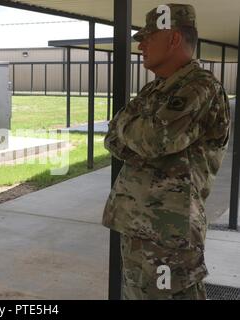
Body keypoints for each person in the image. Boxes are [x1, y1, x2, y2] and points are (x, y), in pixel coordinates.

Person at [102, 3, 230, 300]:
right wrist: (134, 132)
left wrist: (133, 130)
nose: (141, 44)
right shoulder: (156, 90)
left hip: (170, 234)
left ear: (173, 39)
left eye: (148, 36)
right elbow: (114, 139)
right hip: (139, 224)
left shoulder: (200, 87)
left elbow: (151, 140)